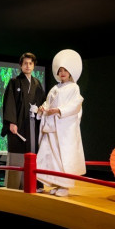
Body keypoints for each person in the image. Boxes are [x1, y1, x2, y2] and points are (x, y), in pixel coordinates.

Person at [36, 49, 86, 197]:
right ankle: (57, 184)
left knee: (62, 156)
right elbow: (48, 103)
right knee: (50, 156)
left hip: (64, 128)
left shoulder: (74, 87)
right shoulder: (55, 88)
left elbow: (76, 105)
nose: (62, 73)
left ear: (70, 72)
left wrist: (59, 110)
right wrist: (43, 108)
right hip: (52, 126)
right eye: (60, 70)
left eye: (65, 70)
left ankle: (65, 186)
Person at [0, 52, 46, 191]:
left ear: (34, 66)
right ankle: (14, 186)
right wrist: (11, 122)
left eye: (30, 63)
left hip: (33, 124)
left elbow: (43, 102)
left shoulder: (37, 84)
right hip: (18, 125)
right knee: (17, 153)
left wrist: (40, 109)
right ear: (21, 65)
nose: (28, 66)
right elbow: (9, 103)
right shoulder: (14, 82)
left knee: (33, 153)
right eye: (25, 63)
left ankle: (33, 185)